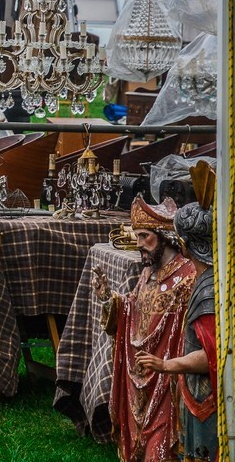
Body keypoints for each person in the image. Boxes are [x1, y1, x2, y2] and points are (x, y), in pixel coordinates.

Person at [93, 197, 196, 462]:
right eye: (137, 236)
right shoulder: (148, 273)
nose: (138, 244)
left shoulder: (188, 278)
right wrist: (109, 300)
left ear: (164, 237)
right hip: (140, 380)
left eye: (144, 236)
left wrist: (168, 366)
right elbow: (132, 310)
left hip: (168, 382)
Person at [135, 167, 217, 462]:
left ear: (183, 243)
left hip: (207, 401)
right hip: (197, 397)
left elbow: (213, 356)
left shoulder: (207, 290)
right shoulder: (205, 282)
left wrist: (167, 365)